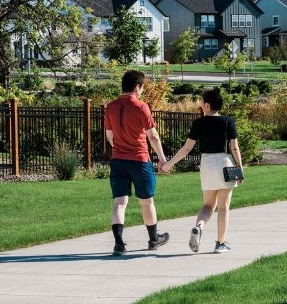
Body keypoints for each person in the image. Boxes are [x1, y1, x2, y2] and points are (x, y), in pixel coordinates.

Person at [161, 88, 243, 253]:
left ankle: (199, 226)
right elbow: (234, 147)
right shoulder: (228, 121)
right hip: (225, 162)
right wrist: (240, 168)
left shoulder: (198, 123)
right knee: (223, 207)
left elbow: (186, 148)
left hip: (206, 163)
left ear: (206, 105)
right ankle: (220, 243)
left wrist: (169, 164)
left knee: (207, 205)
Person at [104, 70, 170, 256]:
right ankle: (153, 239)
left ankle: (118, 244)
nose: (142, 91)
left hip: (118, 160)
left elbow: (110, 136)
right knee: (146, 202)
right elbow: (153, 136)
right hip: (140, 160)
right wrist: (162, 159)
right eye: (142, 87)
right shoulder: (142, 107)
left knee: (119, 202)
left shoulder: (110, 107)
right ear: (137, 87)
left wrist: (119, 147)